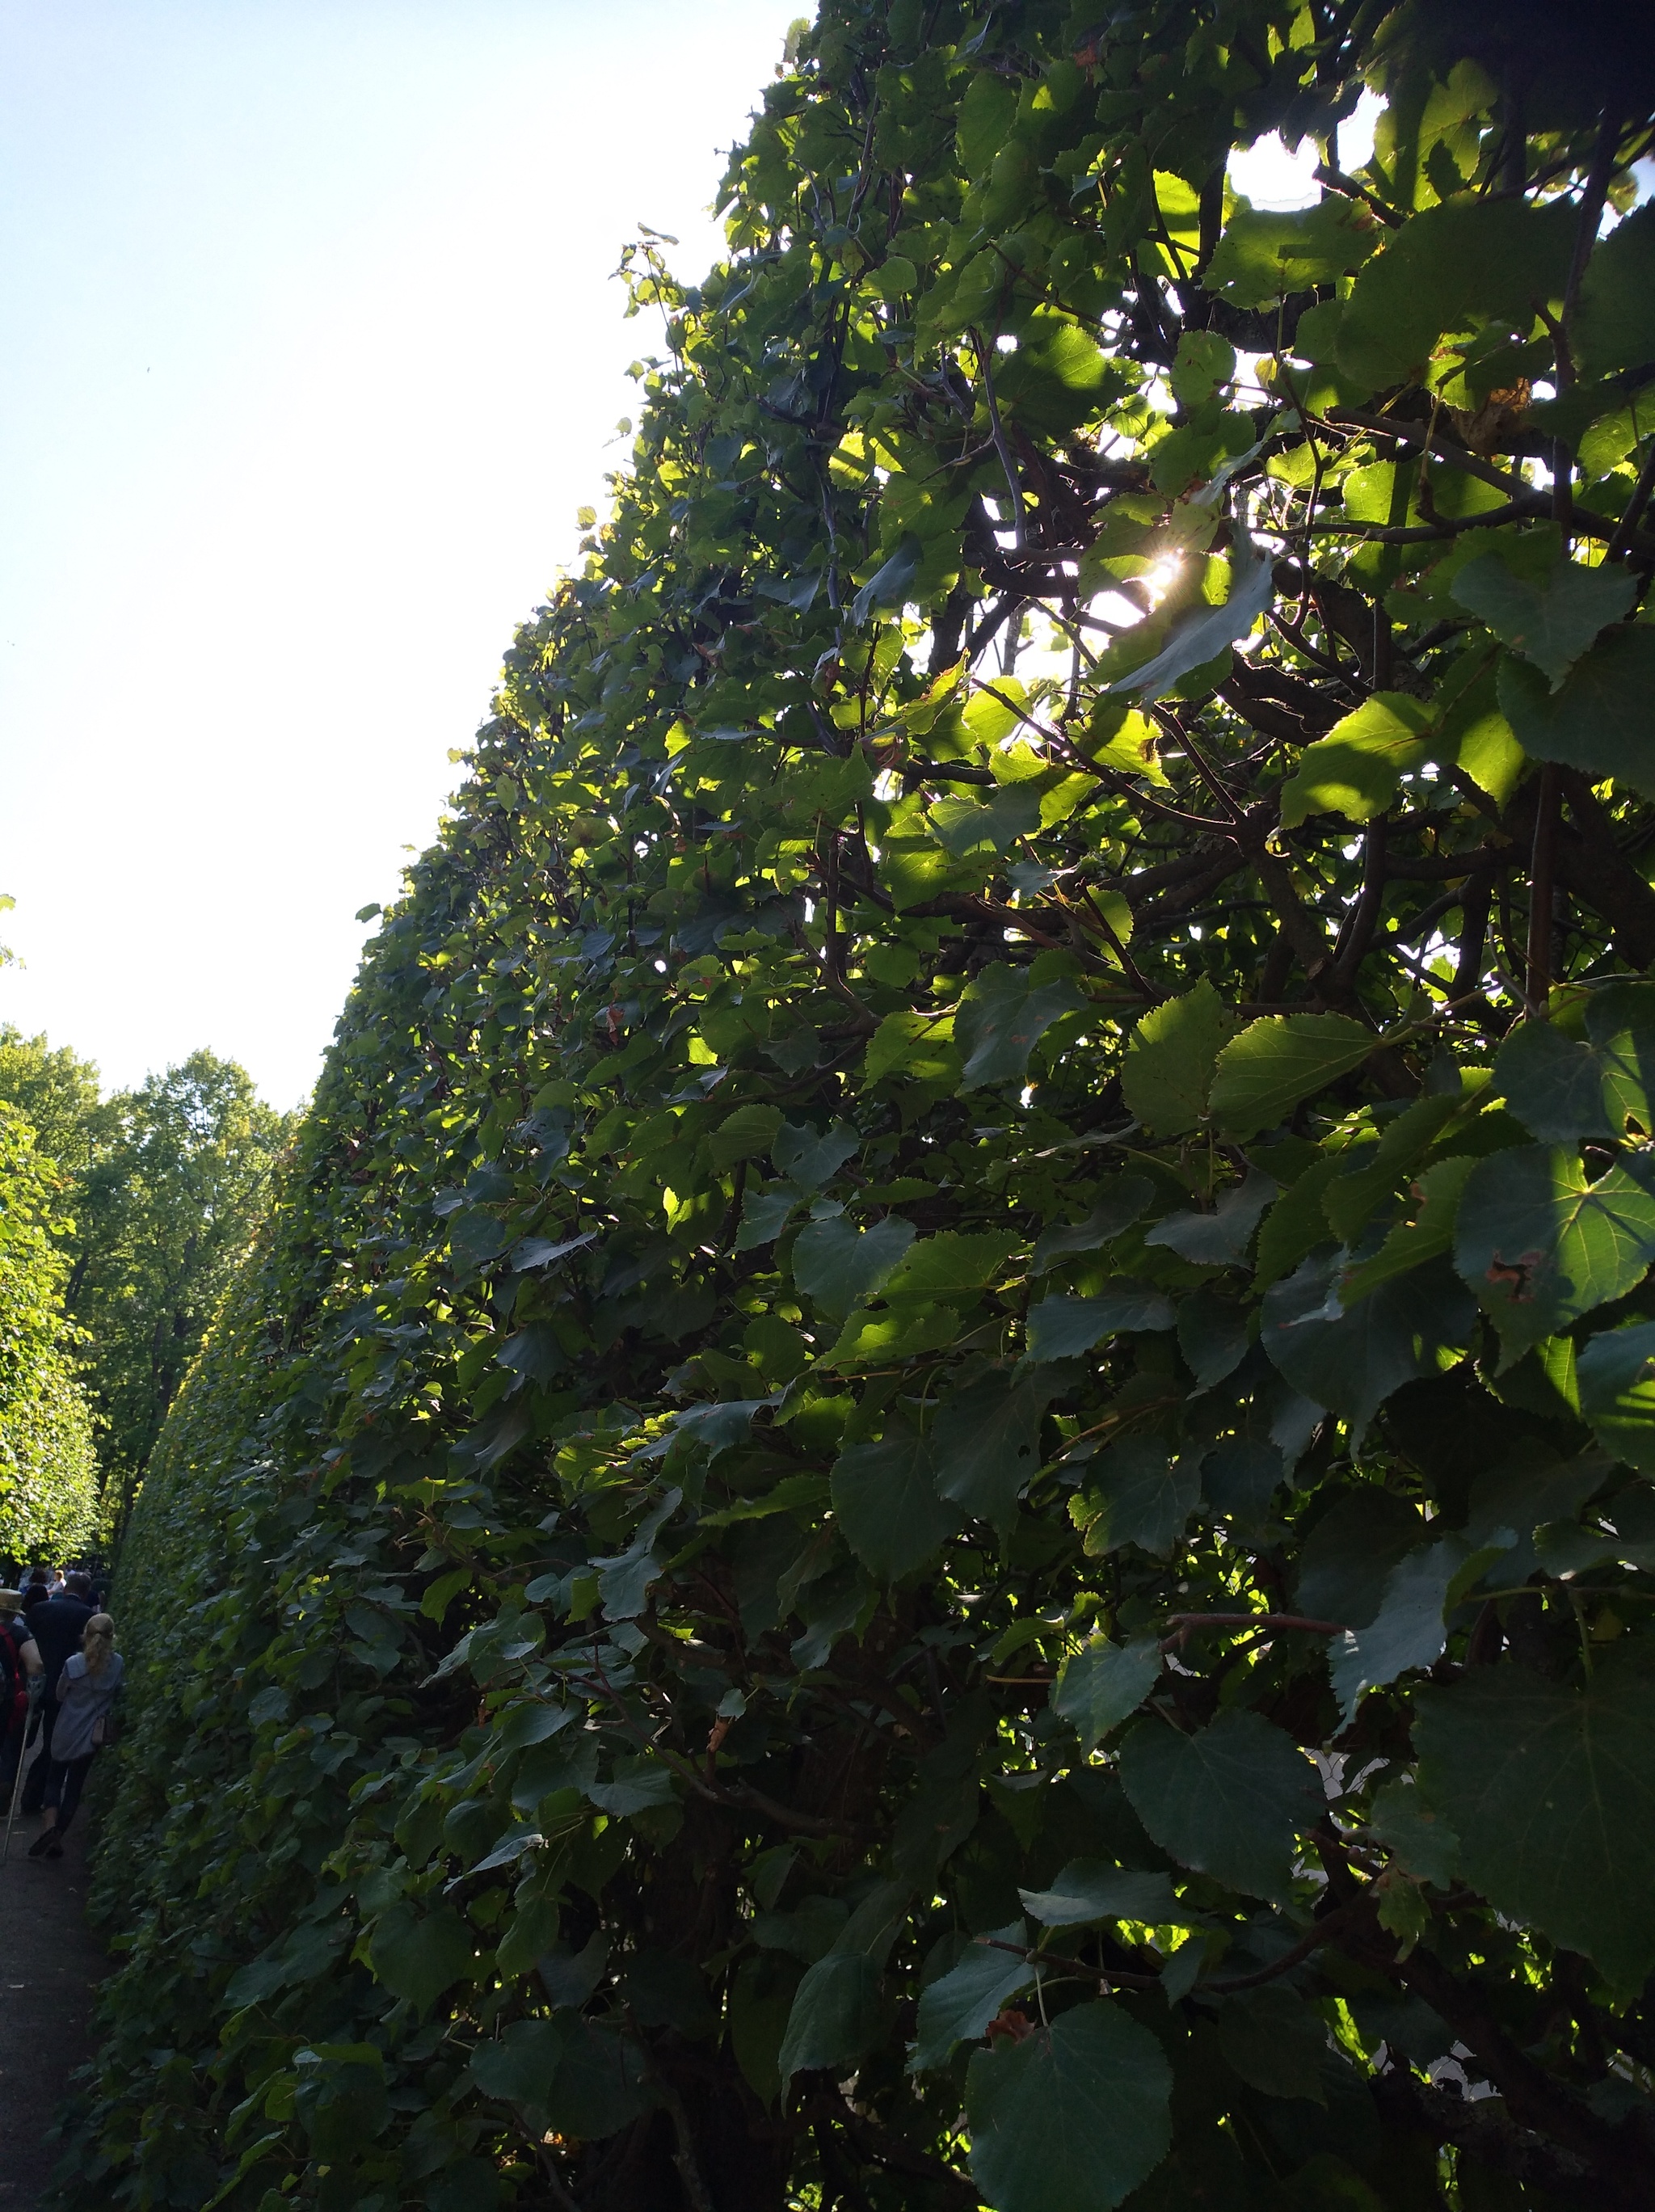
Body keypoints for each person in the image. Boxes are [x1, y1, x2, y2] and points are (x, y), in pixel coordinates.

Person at [29, 1613, 121, 1860]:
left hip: (67, 1727)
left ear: (86, 1634)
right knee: (75, 1785)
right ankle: (58, 1835)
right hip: (93, 1734)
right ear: (112, 1636)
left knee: (54, 1779)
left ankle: (50, 1828)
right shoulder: (118, 1664)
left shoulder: (73, 1663)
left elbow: (60, 1695)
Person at [19, 1572, 95, 1814]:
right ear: (85, 1592)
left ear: (65, 1589)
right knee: (51, 1744)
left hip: (30, 1683)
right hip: (60, 1690)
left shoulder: (39, 1610)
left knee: (18, 1740)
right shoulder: (87, 1617)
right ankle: (31, 1797)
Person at [0, 1592, 41, 1802]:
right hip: (6, 1700)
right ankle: (4, 1782)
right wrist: (30, 1691)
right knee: (8, 1743)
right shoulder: (19, 1633)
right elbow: (36, 1665)